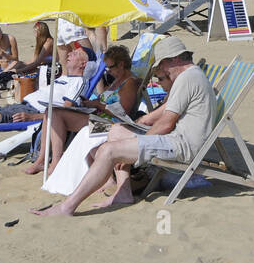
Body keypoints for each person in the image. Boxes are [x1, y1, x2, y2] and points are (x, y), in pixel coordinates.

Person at [32, 36, 215, 216]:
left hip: (181, 146)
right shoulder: (192, 75)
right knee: (117, 130)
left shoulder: (187, 78)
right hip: (177, 138)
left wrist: (137, 143)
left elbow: (166, 124)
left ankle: (67, 207)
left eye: (162, 66)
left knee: (107, 151)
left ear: (174, 59)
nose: (163, 71)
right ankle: (124, 192)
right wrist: (136, 139)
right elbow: (166, 119)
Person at [24, 44, 142, 177]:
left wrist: (97, 104)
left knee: (56, 113)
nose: (108, 71)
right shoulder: (117, 80)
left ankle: (55, 162)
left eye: (110, 67)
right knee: (50, 111)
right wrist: (90, 103)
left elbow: (122, 112)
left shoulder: (130, 83)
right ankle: (42, 159)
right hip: (98, 117)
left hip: (110, 125)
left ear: (121, 64)